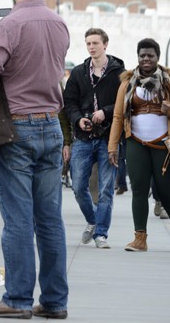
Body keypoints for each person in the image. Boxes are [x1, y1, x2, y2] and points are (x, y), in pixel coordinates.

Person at [0, 0, 69, 320]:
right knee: (50, 220)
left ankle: (17, 299)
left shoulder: (9, 25)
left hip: (16, 129)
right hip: (51, 127)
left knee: (17, 220)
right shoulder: (59, 25)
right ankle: (55, 301)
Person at [108, 38, 170, 252]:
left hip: (163, 144)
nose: (146, 59)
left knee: (165, 190)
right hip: (136, 142)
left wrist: (169, 110)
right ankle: (140, 238)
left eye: (150, 55)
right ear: (138, 57)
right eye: (142, 55)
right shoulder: (127, 82)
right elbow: (117, 116)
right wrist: (112, 146)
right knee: (139, 190)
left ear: (157, 57)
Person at [63, 27, 125, 249]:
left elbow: (124, 102)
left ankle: (101, 234)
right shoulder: (79, 73)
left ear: (105, 44)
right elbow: (68, 102)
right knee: (79, 187)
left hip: (109, 137)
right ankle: (92, 219)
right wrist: (79, 119)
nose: (91, 47)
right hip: (83, 136)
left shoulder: (119, 72)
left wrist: (105, 112)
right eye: (88, 43)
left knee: (107, 188)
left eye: (95, 43)